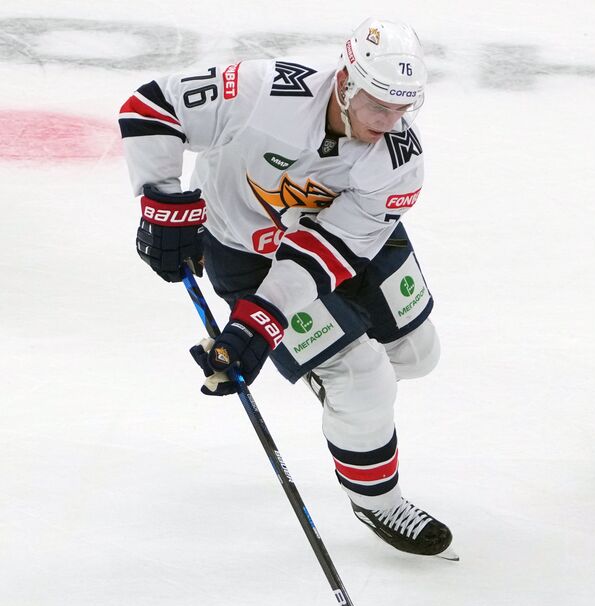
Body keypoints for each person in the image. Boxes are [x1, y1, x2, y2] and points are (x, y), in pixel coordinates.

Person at [121, 18, 453, 555]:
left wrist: (260, 323)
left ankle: (330, 375)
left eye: (404, 108)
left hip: (351, 238)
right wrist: (161, 204)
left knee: (418, 355)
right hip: (244, 249)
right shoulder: (264, 91)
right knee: (364, 382)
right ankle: (376, 499)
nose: (393, 123)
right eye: (380, 105)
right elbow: (151, 106)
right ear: (346, 81)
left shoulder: (398, 162)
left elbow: (330, 253)